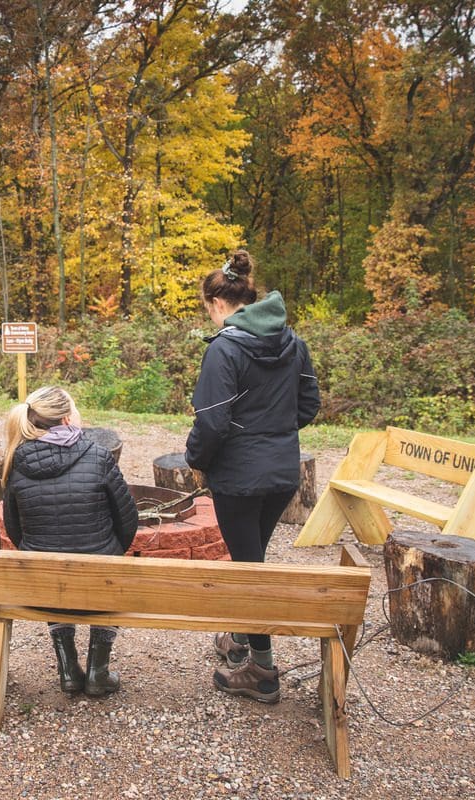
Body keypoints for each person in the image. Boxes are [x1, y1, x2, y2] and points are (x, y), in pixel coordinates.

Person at [185, 249, 321, 703]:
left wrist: (197, 458)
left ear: (218, 304)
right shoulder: (293, 343)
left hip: (239, 479)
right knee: (252, 553)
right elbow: (308, 406)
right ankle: (240, 638)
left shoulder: (225, 348)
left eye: (208, 309)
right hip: (282, 474)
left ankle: (262, 670)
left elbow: (212, 422)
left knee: (248, 567)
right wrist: (273, 436)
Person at [1, 385, 140, 697]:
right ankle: (98, 672)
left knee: (48, 559)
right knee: (109, 575)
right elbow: (128, 520)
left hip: (42, 585)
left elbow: (14, 529)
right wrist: (109, 549)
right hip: (100, 580)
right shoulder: (99, 456)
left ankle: (68, 669)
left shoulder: (16, 462)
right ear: (66, 420)